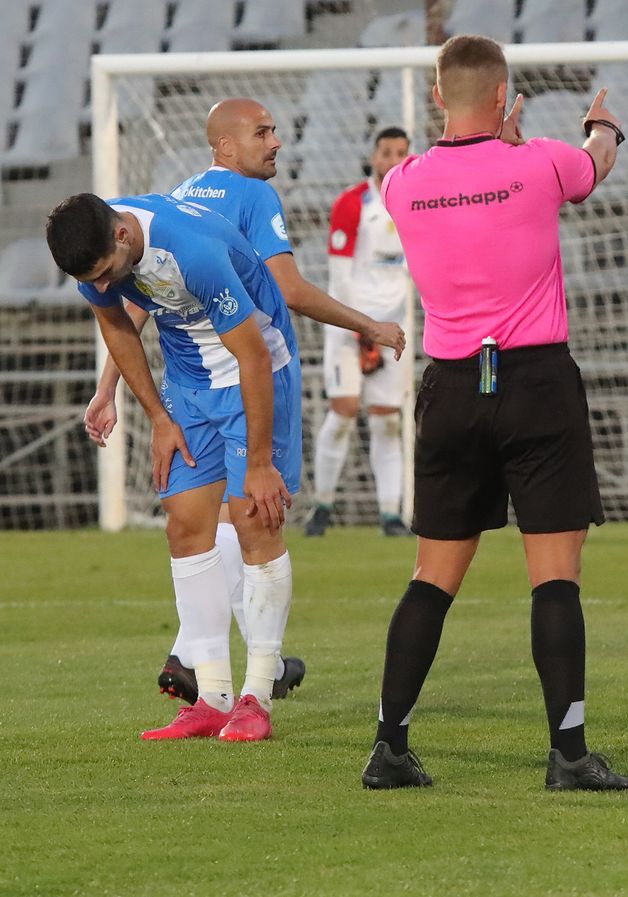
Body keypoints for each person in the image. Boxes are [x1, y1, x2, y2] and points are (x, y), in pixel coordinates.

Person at [360, 34, 628, 792]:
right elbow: (594, 165)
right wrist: (603, 127)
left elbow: (444, 178)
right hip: (534, 381)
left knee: (432, 577)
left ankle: (389, 747)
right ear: (506, 92)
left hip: (451, 386)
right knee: (555, 576)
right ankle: (570, 754)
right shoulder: (541, 160)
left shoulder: (403, 181)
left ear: (438, 98)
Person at [85, 98, 407, 708]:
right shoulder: (253, 198)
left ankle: (207, 662)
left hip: (206, 377)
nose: (277, 142)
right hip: (240, 371)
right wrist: (367, 324)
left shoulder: (177, 195)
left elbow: (140, 298)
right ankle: (216, 665)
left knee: (220, 519)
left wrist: (108, 387)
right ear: (225, 147)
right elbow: (286, 289)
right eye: (263, 132)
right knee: (245, 517)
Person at [48, 192, 303, 743]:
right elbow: (117, 328)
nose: (103, 284)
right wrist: (159, 418)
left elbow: (254, 354)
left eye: (106, 273)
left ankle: (258, 698)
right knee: (185, 526)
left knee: (256, 521)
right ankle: (212, 697)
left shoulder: (192, 251)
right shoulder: (92, 258)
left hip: (255, 374)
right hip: (189, 387)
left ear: (122, 236)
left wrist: (259, 462)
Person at [306, 126, 417, 538]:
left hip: (396, 328)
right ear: (373, 156)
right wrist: (362, 330)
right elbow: (339, 277)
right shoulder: (352, 203)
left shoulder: (415, 203)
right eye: (385, 152)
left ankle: (390, 514)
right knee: (344, 411)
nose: (392, 160)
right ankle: (322, 506)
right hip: (350, 326)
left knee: (388, 420)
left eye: (401, 153)